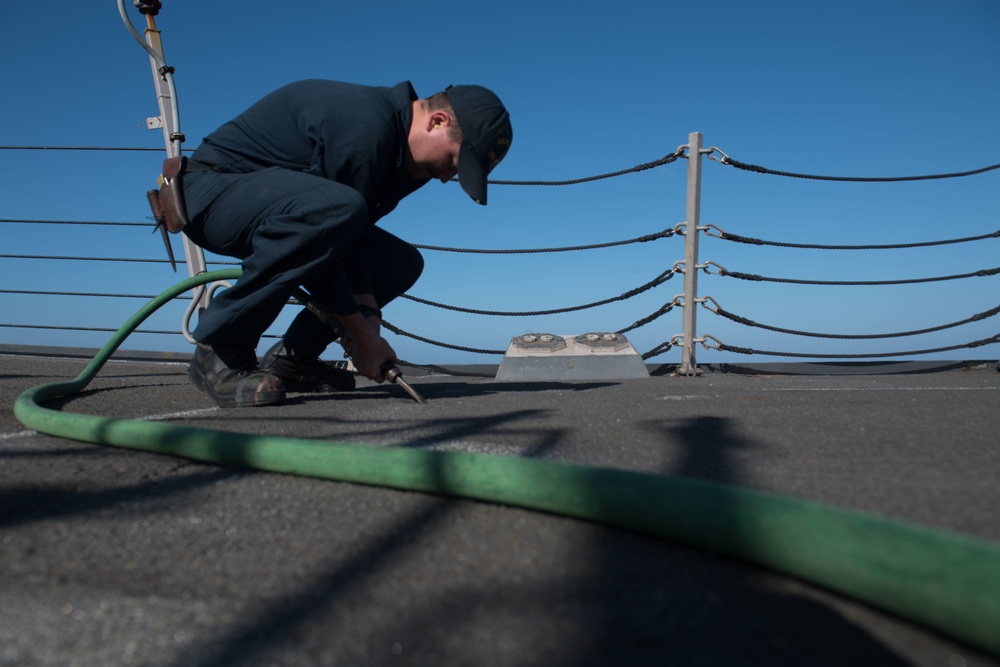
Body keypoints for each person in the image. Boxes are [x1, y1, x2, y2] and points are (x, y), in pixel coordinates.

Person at [177, 80, 513, 407]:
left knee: (400, 262)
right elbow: (325, 228)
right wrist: (365, 339)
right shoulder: (364, 127)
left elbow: (348, 238)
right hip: (210, 194)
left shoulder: (404, 160)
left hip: (287, 209)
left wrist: (368, 315)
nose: (445, 178)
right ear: (438, 122)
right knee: (338, 210)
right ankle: (220, 347)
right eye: (455, 161)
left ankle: (295, 359)